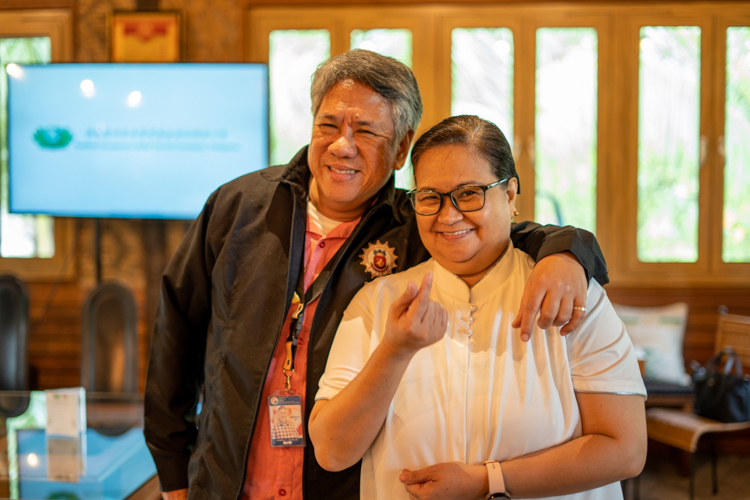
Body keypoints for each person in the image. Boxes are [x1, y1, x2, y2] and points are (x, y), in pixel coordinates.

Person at [144, 51, 609, 500]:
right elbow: (176, 332)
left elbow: (501, 231)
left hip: (336, 484)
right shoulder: (238, 207)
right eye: (328, 125)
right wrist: (171, 466)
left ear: (402, 146)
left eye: (366, 131)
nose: (342, 145)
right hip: (228, 478)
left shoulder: (416, 224)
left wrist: (568, 252)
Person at [309, 115, 647, 500]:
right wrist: (394, 350)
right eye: (430, 196)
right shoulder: (377, 301)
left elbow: (625, 449)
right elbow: (333, 452)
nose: (448, 215)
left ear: (510, 195)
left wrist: (488, 481)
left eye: (469, 193)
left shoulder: (565, 292)